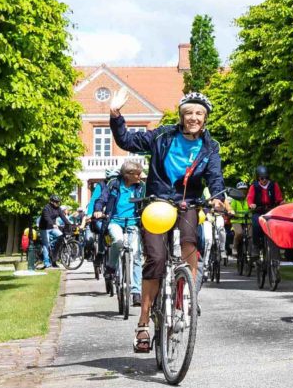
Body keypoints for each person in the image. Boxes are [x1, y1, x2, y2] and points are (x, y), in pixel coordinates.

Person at [109, 89, 225, 353]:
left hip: (188, 204)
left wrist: (218, 198)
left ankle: (186, 298)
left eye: (199, 113)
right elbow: (127, 140)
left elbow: (215, 178)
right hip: (157, 202)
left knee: (189, 245)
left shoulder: (210, 146)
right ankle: (143, 324)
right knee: (157, 259)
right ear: (181, 116)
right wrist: (116, 115)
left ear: (205, 118)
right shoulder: (162, 136)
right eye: (189, 113)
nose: (193, 117)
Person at [92, 160, 146, 306]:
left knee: (136, 255)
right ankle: (111, 267)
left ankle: (136, 292)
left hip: (133, 222)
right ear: (128, 175)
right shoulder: (114, 184)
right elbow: (101, 199)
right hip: (115, 221)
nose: (140, 177)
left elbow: (147, 202)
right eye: (137, 174)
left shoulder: (141, 187)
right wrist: (98, 209)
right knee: (118, 241)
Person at [246, 166, 283, 257]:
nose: (264, 180)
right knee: (256, 225)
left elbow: (279, 198)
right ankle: (256, 246)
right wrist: (251, 205)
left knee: (277, 225)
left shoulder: (274, 185)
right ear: (258, 178)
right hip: (258, 211)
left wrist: (282, 202)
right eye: (262, 178)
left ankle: (276, 244)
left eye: (266, 177)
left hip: (271, 211)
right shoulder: (254, 186)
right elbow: (249, 199)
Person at [38, 194, 72, 269]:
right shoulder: (46, 208)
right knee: (46, 244)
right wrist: (53, 224)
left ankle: (54, 258)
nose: (58, 203)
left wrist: (69, 223)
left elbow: (63, 217)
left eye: (58, 202)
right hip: (44, 228)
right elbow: (46, 218)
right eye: (56, 202)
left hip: (52, 227)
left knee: (61, 236)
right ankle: (47, 263)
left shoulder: (58, 208)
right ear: (51, 202)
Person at [230, 181, 250, 258]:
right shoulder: (234, 200)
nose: (243, 191)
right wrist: (233, 213)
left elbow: (251, 208)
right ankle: (234, 247)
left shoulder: (248, 199)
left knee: (251, 235)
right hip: (236, 220)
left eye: (244, 189)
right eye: (241, 190)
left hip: (247, 220)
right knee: (239, 233)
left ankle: (250, 252)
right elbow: (231, 209)